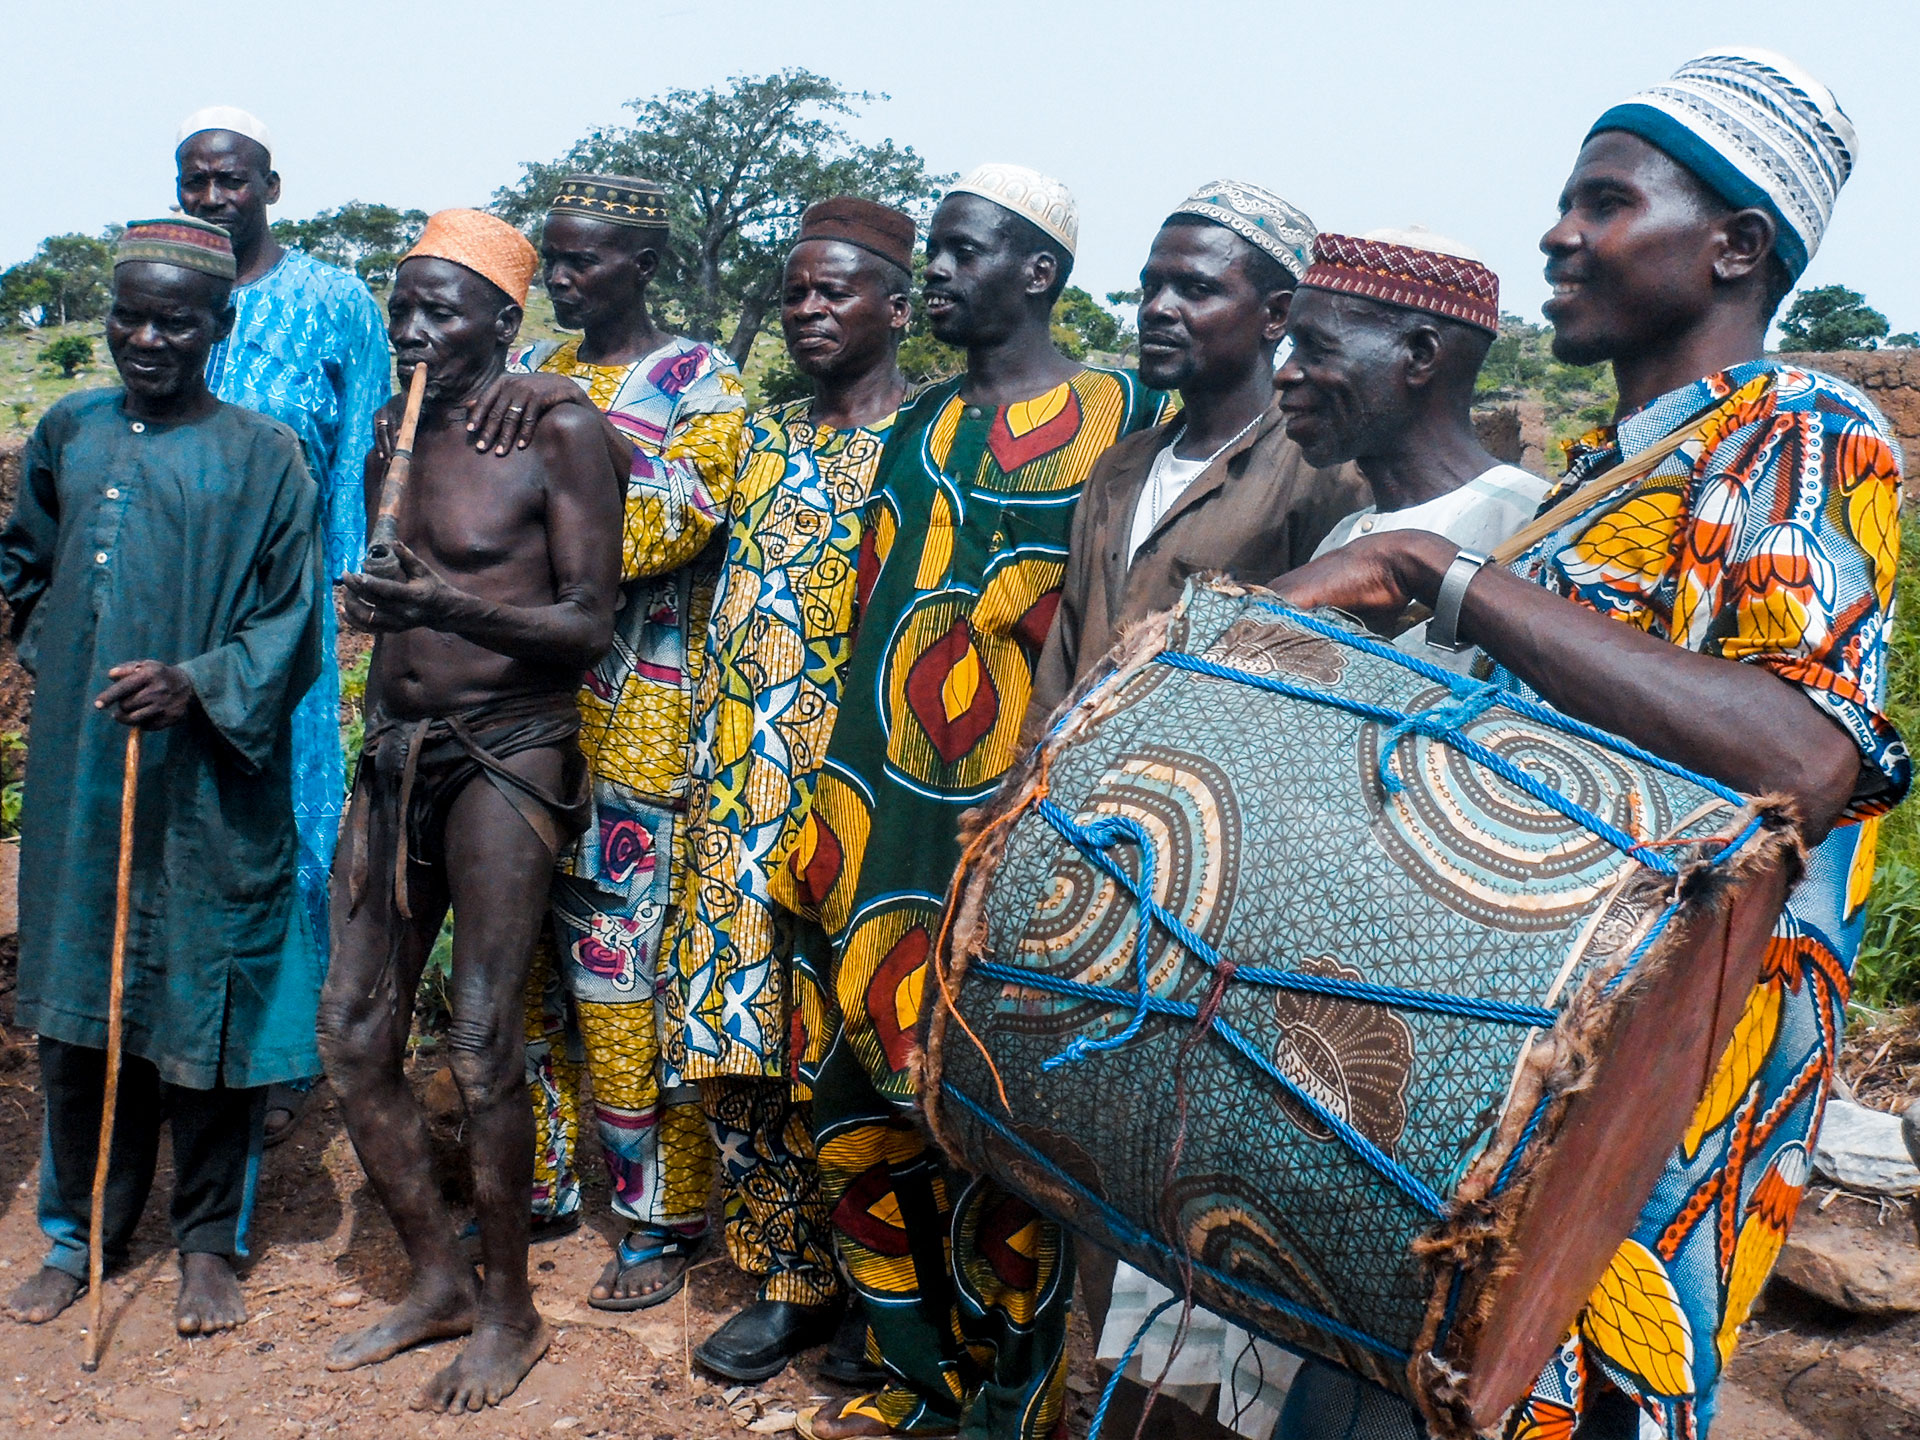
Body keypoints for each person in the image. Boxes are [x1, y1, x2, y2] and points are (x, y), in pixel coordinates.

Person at [1270, 48, 1904, 1440]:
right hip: (1507, 1069)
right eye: (1565, 203)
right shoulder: (1603, 476)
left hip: (1648, 1109)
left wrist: (1437, 576)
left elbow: (1806, 756)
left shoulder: (1804, 431)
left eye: (1604, 203)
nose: (1557, 232)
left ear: (1736, 247)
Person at [795, 164, 1171, 1440]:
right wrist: (825, 818)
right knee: (856, 1102)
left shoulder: (1133, 415)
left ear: (1040, 274)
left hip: (1009, 825)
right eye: (933, 253)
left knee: (993, 1116)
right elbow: (867, 622)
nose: (934, 273)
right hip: (877, 815)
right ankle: (917, 1373)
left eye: (960, 252)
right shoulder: (919, 429)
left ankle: (1012, 1399)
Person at [316, 210, 624, 1412]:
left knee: (485, 1041)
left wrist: (444, 603)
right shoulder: (401, 418)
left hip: (510, 751)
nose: (414, 331)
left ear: (506, 320)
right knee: (350, 1031)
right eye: (403, 307)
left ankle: (511, 1312)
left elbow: (586, 626)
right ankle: (439, 1276)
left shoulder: (555, 426)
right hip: (395, 753)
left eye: (443, 311)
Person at [1, 218, 324, 1336]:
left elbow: (293, 618)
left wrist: (196, 680)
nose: (146, 338)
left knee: (206, 1012)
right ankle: (76, 1237)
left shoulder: (266, 455)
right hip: (80, 781)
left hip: (212, 788)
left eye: (174, 321)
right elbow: (26, 566)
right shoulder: (68, 430)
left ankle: (206, 1246)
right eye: (127, 317)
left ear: (218, 328)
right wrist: (68, 651)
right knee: (78, 1008)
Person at [465, 174, 742, 1311]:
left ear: (643, 261)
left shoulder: (700, 381)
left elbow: (676, 523)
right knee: (520, 961)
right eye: (555, 258)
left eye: (586, 260)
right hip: (520, 713)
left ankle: (655, 1215)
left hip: (640, 717)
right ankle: (531, 1189)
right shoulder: (535, 371)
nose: (564, 278)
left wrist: (579, 460)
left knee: (621, 968)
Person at [667, 198, 917, 1383]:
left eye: (836, 293)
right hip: (735, 792)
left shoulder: (932, 446)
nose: (809, 312)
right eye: (795, 294)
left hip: (863, 805)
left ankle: (886, 1290)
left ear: (898, 308)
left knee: (858, 1051)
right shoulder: (756, 442)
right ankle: (789, 1279)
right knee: (735, 1043)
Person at [174, 108, 391, 1144]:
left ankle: (289, 1050)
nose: (214, 198)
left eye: (232, 179)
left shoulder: (334, 296)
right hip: (180, 588)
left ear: (271, 183)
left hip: (289, 586)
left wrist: (350, 576)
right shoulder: (174, 285)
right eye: (196, 181)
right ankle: (189, 1031)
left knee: (299, 805)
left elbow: (361, 440)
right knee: (190, 802)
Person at [1027, 179, 1366, 732]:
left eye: (1195, 290)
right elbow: (1064, 656)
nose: (1157, 309)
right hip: (1069, 796)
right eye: (1150, 287)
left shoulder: (1323, 475)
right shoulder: (1120, 467)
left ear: (1276, 315)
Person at [1282, 225, 1551, 666]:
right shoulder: (1343, 537)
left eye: (1316, 348)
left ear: (1421, 355)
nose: (1286, 374)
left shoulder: (1534, 522)